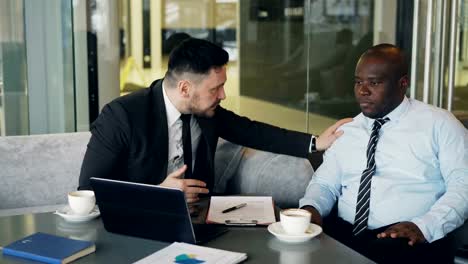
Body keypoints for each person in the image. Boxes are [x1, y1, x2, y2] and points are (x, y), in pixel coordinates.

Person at [79, 38, 351, 204]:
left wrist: (316, 142)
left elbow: (253, 131)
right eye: (215, 88)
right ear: (185, 89)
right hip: (139, 221)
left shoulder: (205, 112)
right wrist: (156, 194)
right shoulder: (122, 116)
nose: (223, 95)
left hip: (200, 217)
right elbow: (89, 190)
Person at [299, 43, 468, 263]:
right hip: (345, 233)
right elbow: (324, 184)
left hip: (408, 239)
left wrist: (425, 226)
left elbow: (463, 185)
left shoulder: (440, 125)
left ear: (402, 84)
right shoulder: (348, 130)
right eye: (358, 82)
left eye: (374, 82)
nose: (363, 91)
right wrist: (311, 208)